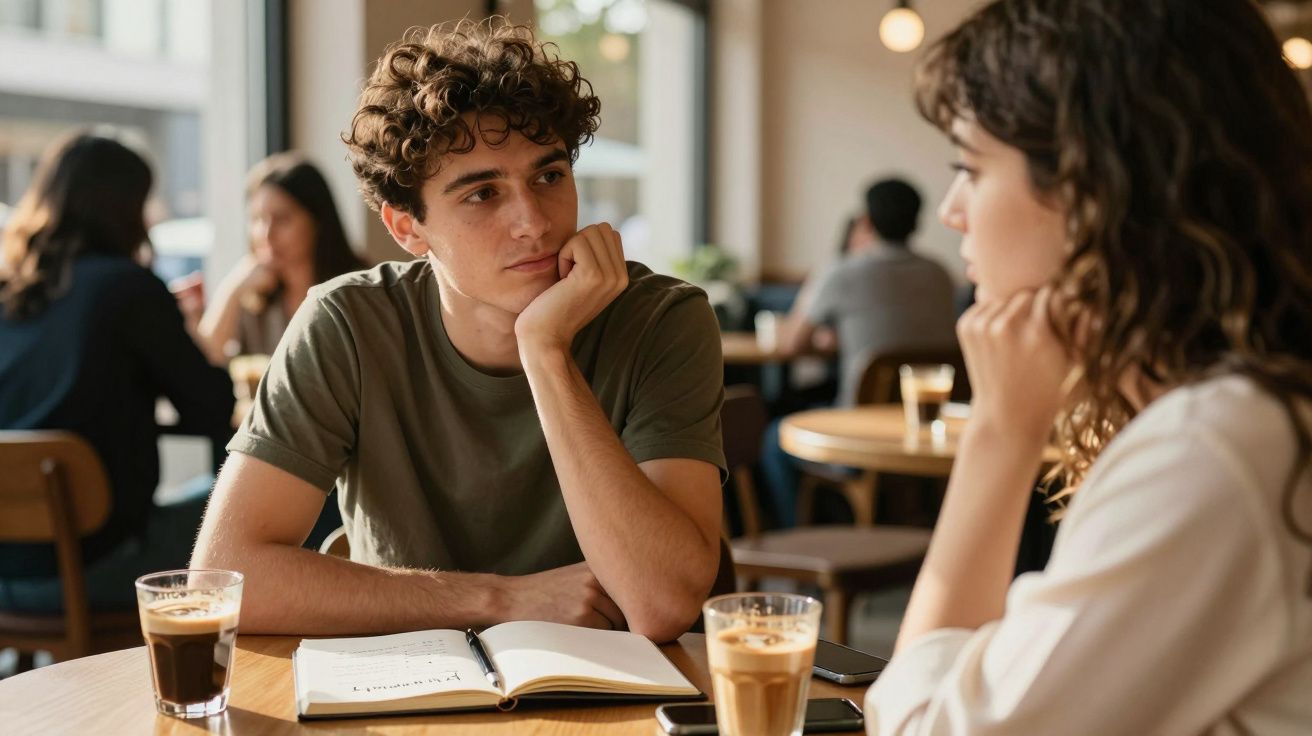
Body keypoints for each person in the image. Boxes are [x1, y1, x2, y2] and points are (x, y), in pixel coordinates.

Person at [190, 20, 725, 641]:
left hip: (604, 697)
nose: (533, 222)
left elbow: (661, 604)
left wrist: (545, 349)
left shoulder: (662, 318)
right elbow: (225, 576)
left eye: (549, 177)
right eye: (482, 195)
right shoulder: (348, 325)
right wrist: (502, 599)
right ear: (407, 228)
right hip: (402, 691)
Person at [865, 1, 1312, 732]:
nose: (952, 210)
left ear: (1095, 190)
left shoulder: (1212, 448)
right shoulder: (1239, 411)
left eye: (970, 168)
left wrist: (998, 437)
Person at [0, 132, 234, 612]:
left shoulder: (9, 294)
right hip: (98, 567)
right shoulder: (129, 289)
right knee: (298, 511)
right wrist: (186, 327)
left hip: (7, 575)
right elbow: (214, 406)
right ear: (125, 207)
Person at [760, 180, 958, 528]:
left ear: (865, 221)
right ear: (917, 221)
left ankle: (797, 540)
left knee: (774, 437)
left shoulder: (843, 272)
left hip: (861, 433)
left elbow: (790, 344)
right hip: (931, 432)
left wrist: (825, 275)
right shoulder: (941, 274)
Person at [189, 153, 368, 364]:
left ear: (318, 221)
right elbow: (205, 357)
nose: (266, 234)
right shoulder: (255, 296)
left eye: (282, 219)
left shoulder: (359, 292)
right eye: (257, 219)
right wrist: (233, 290)